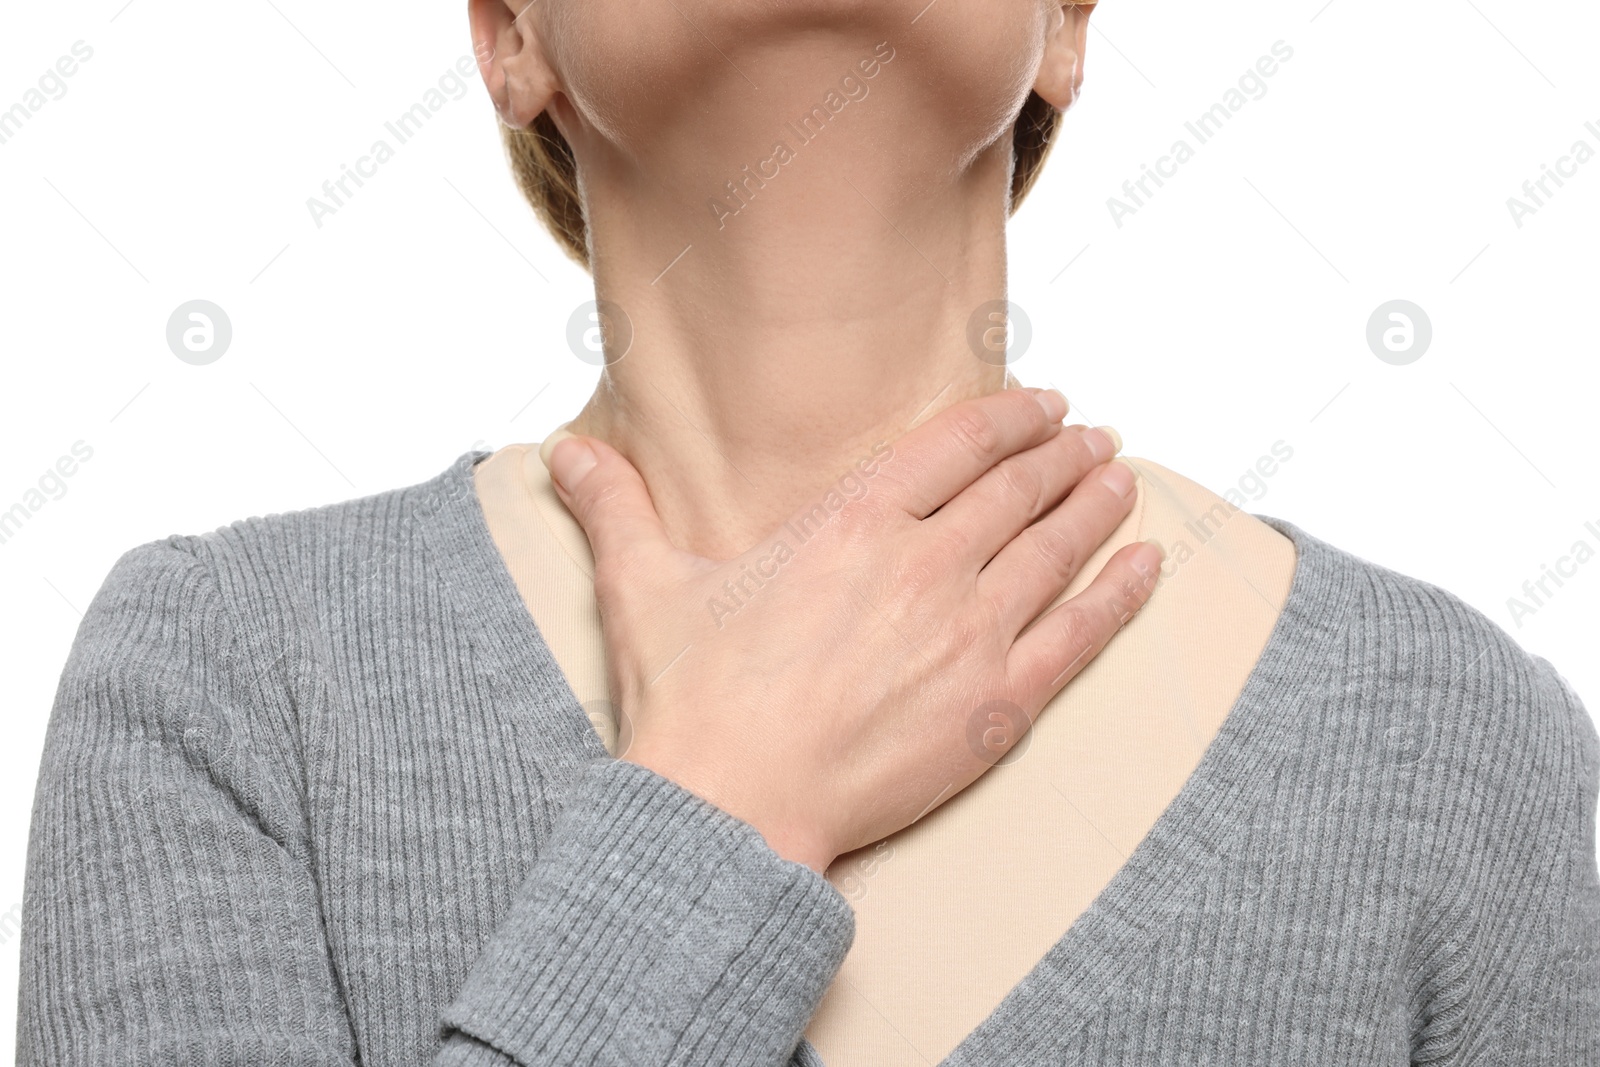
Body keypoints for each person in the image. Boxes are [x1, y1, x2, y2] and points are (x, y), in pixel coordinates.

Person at [18, 1, 1598, 1064]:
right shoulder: (229, 682)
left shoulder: (1467, 742)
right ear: (507, 32)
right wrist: (720, 814)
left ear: (1063, 20)